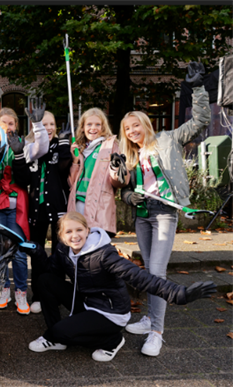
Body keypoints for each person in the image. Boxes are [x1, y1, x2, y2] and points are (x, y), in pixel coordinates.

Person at [27, 211, 216, 361]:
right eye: (68, 232)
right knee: (45, 281)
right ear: (60, 236)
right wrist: (37, 253)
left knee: (61, 331)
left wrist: (180, 294)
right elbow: (50, 271)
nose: (74, 236)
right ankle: (55, 339)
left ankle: (112, 340)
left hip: (109, 312)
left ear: (87, 230)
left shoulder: (104, 255)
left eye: (79, 230)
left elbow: (140, 278)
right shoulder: (63, 250)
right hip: (86, 302)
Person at [119, 62, 210, 357]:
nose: (132, 131)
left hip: (165, 213)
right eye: (127, 128)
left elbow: (200, 122)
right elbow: (126, 191)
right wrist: (129, 195)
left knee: (157, 271)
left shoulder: (169, 139)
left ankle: (157, 331)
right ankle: (149, 319)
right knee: (148, 271)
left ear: (145, 123)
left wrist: (197, 88)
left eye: (135, 125)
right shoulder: (131, 156)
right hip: (143, 216)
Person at [0, 108, 46, 315]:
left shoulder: (24, 147)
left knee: (20, 252)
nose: (6, 127)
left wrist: (19, 153)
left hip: (15, 208)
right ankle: (4, 289)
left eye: (10, 123)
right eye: (2, 123)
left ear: (16, 126)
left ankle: (21, 290)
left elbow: (25, 180)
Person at [19, 110, 72, 315]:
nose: (49, 128)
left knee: (60, 252)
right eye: (44, 124)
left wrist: (65, 142)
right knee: (37, 252)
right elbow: (23, 178)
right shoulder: (29, 147)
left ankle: (57, 292)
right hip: (36, 208)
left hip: (58, 207)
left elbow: (63, 167)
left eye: (52, 124)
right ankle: (39, 295)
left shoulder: (60, 145)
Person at [68, 108, 129, 235]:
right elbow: (71, 183)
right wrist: (75, 161)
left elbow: (120, 180)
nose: (93, 128)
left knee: (96, 242)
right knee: (78, 241)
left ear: (103, 127)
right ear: (83, 127)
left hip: (98, 204)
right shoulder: (80, 148)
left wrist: (117, 169)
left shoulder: (110, 146)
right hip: (78, 202)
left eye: (97, 124)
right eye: (89, 124)